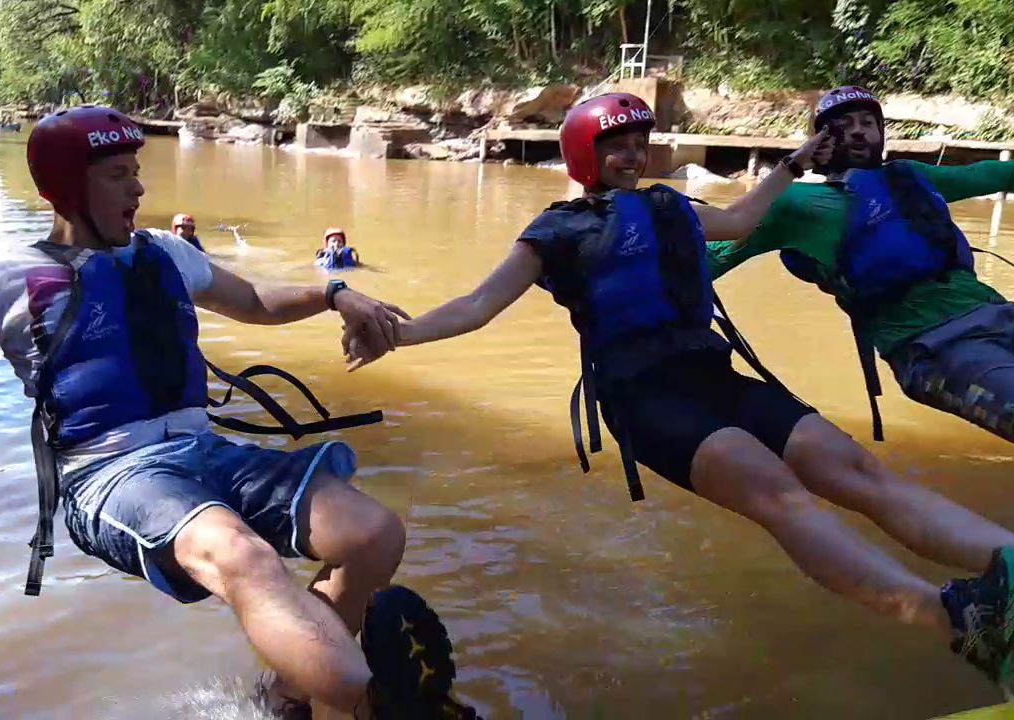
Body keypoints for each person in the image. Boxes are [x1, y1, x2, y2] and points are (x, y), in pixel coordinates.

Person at [0, 106, 477, 720]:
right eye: (117, 175)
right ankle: (363, 699)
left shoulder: (166, 253)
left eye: (136, 170)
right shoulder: (3, 279)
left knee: (372, 532)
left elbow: (257, 302)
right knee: (241, 553)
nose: (139, 186)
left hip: (207, 452)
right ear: (68, 188)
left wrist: (336, 297)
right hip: (110, 474)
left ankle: (294, 699)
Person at [344, 93, 1014, 695]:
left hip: (713, 375)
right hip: (645, 397)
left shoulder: (671, 205)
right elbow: (478, 304)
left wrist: (796, 159)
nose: (632, 156)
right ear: (586, 153)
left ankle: (1007, 564)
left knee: (857, 471)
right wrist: (397, 337)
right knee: (780, 495)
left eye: (640, 143)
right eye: (617, 145)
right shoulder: (556, 230)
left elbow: (744, 217)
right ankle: (954, 621)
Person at [708, 86, 1014, 449]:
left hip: (998, 314)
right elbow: (706, 258)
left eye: (868, 122)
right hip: (934, 346)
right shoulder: (795, 205)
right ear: (818, 141)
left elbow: (992, 174)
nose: (857, 130)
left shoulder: (912, 176)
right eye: (842, 125)